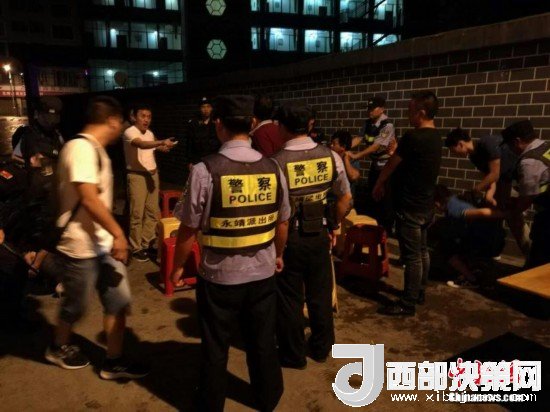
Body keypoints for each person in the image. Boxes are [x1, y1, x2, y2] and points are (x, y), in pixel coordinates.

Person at [171, 95, 290, 412]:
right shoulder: (273, 168)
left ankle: (211, 403)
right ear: (252, 124)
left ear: (219, 125)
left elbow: (187, 229)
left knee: (215, 345)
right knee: (262, 341)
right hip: (263, 275)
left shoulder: (204, 170)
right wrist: (278, 254)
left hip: (219, 278)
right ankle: (268, 398)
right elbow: (282, 222)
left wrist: (177, 267)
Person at [46, 96, 149, 380]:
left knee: (118, 301)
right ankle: (57, 346)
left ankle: (113, 361)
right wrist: (119, 233)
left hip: (103, 244)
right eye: (121, 122)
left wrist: (112, 236)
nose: (122, 127)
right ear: (112, 121)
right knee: (76, 305)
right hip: (79, 244)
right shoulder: (80, 148)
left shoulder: (96, 150)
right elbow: (89, 198)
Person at [272, 103, 352, 368]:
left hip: (290, 238)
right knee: (320, 294)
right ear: (309, 126)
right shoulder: (331, 156)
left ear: (282, 127)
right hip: (320, 233)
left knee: (289, 298)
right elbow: (345, 198)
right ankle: (321, 348)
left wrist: (278, 251)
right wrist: (333, 226)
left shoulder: (275, 162)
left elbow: (281, 217)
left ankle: (293, 355)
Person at [373, 90, 442, 316]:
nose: (407, 114)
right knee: (422, 251)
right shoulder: (436, 137)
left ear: (421, 112)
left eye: (410, 111)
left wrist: (379, 183)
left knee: (412, 256)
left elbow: (392, 164)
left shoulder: (414, 137)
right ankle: (419, 292)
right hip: (426, 204)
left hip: (411, 205)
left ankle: (408, 302)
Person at [444, 128, 527, 257]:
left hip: (516, 182)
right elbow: (490, 177)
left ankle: (533, 257)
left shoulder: (487, 143)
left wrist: (476, 189)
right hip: (504, 183)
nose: (453, 154)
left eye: (452, 150)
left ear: (460, 144)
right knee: (495, 216)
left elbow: (495, 174)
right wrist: (489, 194)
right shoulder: (474, 157)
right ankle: (493, 251)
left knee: (516, 223)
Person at [123, 104, 176, 262]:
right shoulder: (130, 132)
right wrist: (161, 142)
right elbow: (141, 144)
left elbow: (151, 149)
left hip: (152, 174)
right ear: (134, 117)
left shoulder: (150, 133)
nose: (146, 120)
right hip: (137, 175)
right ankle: (136, 247)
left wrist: (162, 148)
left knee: (153, 212)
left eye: (149, 117)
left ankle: (147, 243)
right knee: (137, 213)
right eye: (143, 116)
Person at [433, 185, 507, 288]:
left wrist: (508, 214)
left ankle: (471, 279)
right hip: (486, 236)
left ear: (437, 202)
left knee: (445, 248)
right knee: (448, 236)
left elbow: (482, 212)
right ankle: (469, 267)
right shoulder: (454, 200)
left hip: (485, 241)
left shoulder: (454, 209)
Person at [502, 120, 550, 268]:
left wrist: (513, 211)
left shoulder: (529, 161)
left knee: (539, 261)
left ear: (517, 141)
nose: (511, 150)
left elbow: (527, 197)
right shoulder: (546, 147)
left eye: (510, 145)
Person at [348, 96, 396, 233]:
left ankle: (385, 230)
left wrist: (356, 155)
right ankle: (375, 227)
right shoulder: (368, 123)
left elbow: (376, 146)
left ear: (382, 109)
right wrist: (345, 147)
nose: (369, 111)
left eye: (372, 108)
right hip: (375, 164)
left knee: (385, 198)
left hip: (386, 166)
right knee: (373, 195)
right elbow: (359, 138)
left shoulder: (387, 125)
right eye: (368, 108)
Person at [186, 96, 220, 166]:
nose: (206, 109)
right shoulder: (194, 123)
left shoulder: (216, 123)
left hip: (213, 159)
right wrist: (190, 161)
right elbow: (190, 143)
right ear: (200, 109)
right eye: (203, 107)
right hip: (198, 159)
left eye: (208, 107)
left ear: (211, 108)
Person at [330, 130, 361, 197]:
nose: (331, 145)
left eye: (334, 144)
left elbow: (353, 177)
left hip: (346, 198)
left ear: (343, 147)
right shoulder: (330, 157)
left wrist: (346, 158)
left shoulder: (352, 160)